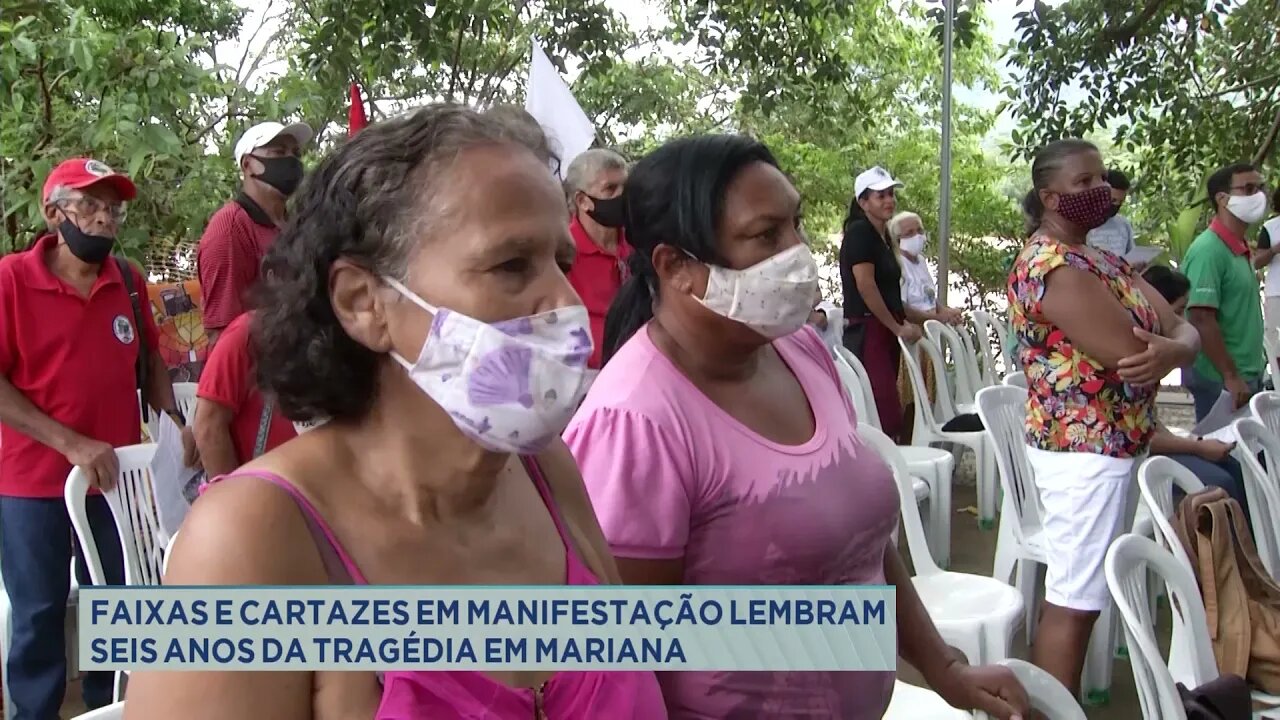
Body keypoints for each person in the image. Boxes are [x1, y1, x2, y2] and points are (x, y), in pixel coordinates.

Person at [125, 104, 665, 719]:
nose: (566, 304)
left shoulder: (549, 475)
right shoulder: (251, 543)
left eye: (561, 265)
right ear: (363, 303)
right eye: (511, 265)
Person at [568, 135, 1030, 719]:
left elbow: (861, 547)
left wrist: (944, 667)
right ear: (676, 266)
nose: (798, 252)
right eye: (766, 235)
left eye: (796, 224)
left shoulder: (800, 351)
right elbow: (632, 651)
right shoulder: (635, 422)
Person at [0, 158, 197, 719]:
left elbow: (150, 361)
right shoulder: (12, 281)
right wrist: (69, 444)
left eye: (113, 209)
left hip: (114, 483)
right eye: (91, 206)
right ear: (54, 212)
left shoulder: (128, 280)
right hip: (32, 483)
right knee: (38, 614)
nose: (106, 219)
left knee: (116, 605)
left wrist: (173, 422)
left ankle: (111, 709)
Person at [1008, 139, 1199, 694]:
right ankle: (1049, 709)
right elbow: (1130, 347)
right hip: (1082, 452)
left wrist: (1177, 349)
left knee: (1083, 595)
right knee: (1075, 599)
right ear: (1049, 197)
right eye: (1082, 184)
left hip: (1115, 444)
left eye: (1100, 180)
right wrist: (1169, 347)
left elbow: (1177, 327)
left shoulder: (1101, 258)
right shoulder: (1051, 265)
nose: (1099, 192)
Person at [1140, 265, 1250, 516]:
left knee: (1235, 467)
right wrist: (1198, 447)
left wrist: (1197, 442)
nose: (1183, 322)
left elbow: (1154, 423)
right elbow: (1143, 435)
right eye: (1179, 311)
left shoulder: (1158, 361)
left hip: (1153, 444)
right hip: (1140, 460)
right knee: (1220, 483)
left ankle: (1254, 549)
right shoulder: (1135, 357)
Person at [198, 120, 313, 346]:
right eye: (278, 152)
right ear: (248, 164)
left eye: (295, 153)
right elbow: (222, 336)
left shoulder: (297, 225)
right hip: (256, 374)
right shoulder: (230, 228)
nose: (290, 160)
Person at [1181, 162, 1268, 419]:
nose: (1258, 196)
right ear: (1222, 198)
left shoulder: (1239, 246)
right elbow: (1200, 317)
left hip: (1244, 372)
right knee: (1224, 454)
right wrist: (1230, 375)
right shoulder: (1209, 250)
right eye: (1249, 188)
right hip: (1221, 378)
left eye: (1261, 188)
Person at [840, 166, 922, 440]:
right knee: (880, 404)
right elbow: (866, 286)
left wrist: (908, 320)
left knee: (893, 404)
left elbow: (891, 294)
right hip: (869, 327)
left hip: (887, 327)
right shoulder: (860, 233)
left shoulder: (884, 236)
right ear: (863, 202)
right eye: (880, 196)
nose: (889, 200)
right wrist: (896, 327)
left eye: (890, 194)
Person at [193, 311, 298, 477]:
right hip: (262, 488)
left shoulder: (341, 334)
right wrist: (235, 496)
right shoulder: (247, 332)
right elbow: (208, 428)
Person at [563, 148, 631, 370]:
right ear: (583, 201)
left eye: (626, 187)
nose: (622, 196)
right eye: (611, 189)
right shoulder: (561, 253)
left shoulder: (640, 241)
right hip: (590, 375)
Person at [1252, 187, 1280, 362]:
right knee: (1274, 340)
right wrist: (1274, 250)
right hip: (1276, 292)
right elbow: (1257, 261)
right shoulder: (1271, 227)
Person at [1085, 168, 1137, 261]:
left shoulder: (1123, 224)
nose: (1116, 205)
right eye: (1113, 200)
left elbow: (1131, 256)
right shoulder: (1081, 225)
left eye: (1120, 201)